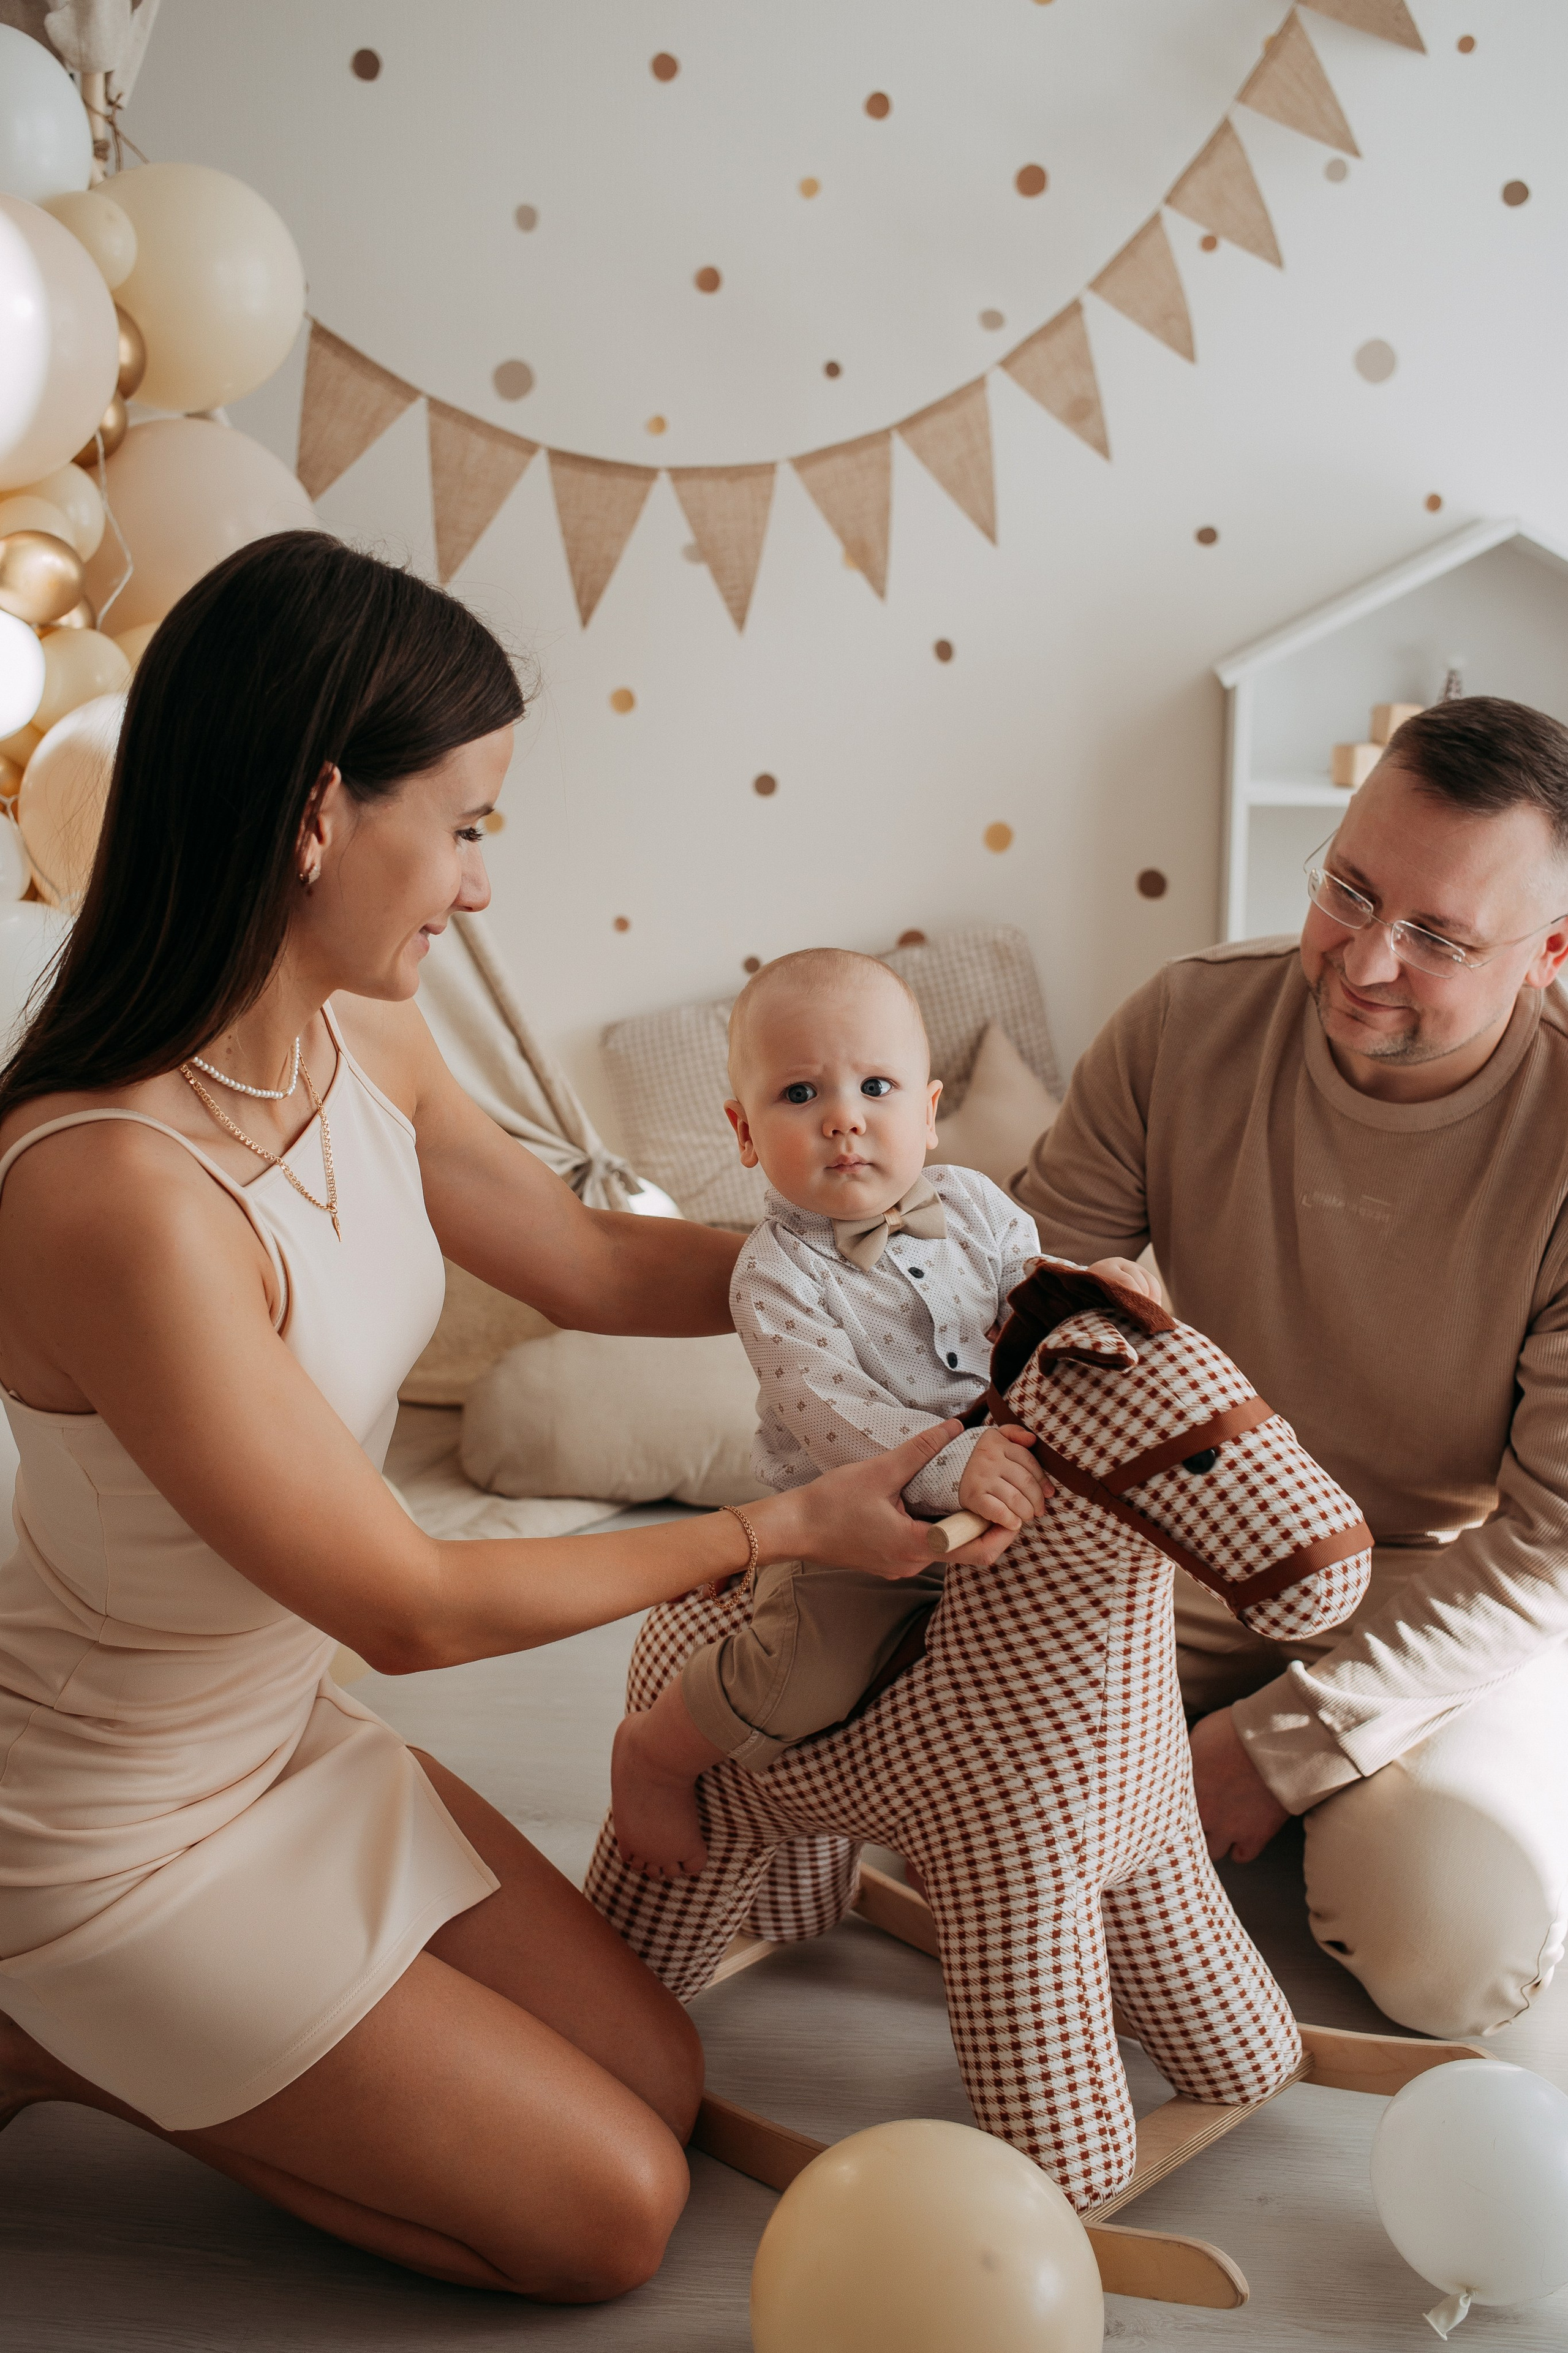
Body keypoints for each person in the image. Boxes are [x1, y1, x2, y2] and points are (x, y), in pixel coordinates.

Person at [0, 532, 1017, 2303]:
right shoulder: (113, 1196)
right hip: (100, 1827)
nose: (478, 888)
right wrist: (784, 1525)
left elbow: (573, 1257)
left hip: (274, 1743)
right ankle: (50, 2033)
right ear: (320, 811)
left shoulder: (355, 1040)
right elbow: (408, 1604)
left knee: (665, 2078)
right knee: (609, 2216)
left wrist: (909, 1263)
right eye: (464, 825)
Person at [1016, 695, 1568, 2040]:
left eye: (1435, 936)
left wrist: (1274, 1746)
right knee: (941, 1799)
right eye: (1347, 888)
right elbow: (1023, 1318)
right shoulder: (1186, 1021)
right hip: (1191, 1521)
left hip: (1438, 1579)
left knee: (1452, 1952)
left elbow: (1546, 1546)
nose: (1364, 959)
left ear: (1547, 953)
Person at [610, 946, 1153, 1878]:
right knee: (808, 1674)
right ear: (743, 1133)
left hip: (1009, 1497)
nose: (844, 1118)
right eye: (798, 1095)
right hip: (855, 1527)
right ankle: (656, 1753)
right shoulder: (774, 1272)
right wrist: (948, 1466)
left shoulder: (981, 1207)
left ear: (928, 1114)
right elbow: (834, 1412)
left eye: (875, 1085)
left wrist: (1094, 1299)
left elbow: (1030, 1308)